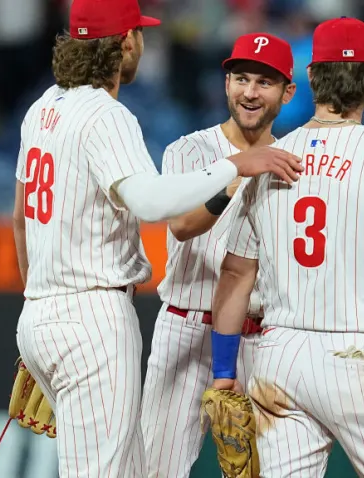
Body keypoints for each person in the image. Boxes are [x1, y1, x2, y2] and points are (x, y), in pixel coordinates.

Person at [10, 0, 303, 475]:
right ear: (126, 42)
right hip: (92, 316)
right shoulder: (106, 115)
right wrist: (232, 167)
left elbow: (22, 216)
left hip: (45, 308)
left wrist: (38, 315)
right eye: (139, 35)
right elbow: (150, 205)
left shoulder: (43, 107)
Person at [208, 17, 364, 477]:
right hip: (361, 354)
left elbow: (235, 274)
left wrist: (222, 370)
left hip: (281, 358)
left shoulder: (274, 159)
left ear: (311, 76)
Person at [139, 32, 296, 477]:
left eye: (264, 82)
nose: (250, 92)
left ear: (287, 92)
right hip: (185, 329)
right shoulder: (188, 150)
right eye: (242, 78)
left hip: (262, 340)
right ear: (226, 84)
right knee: (156, 468)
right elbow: (182, 226)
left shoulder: (295, 160)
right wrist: (235, 177)